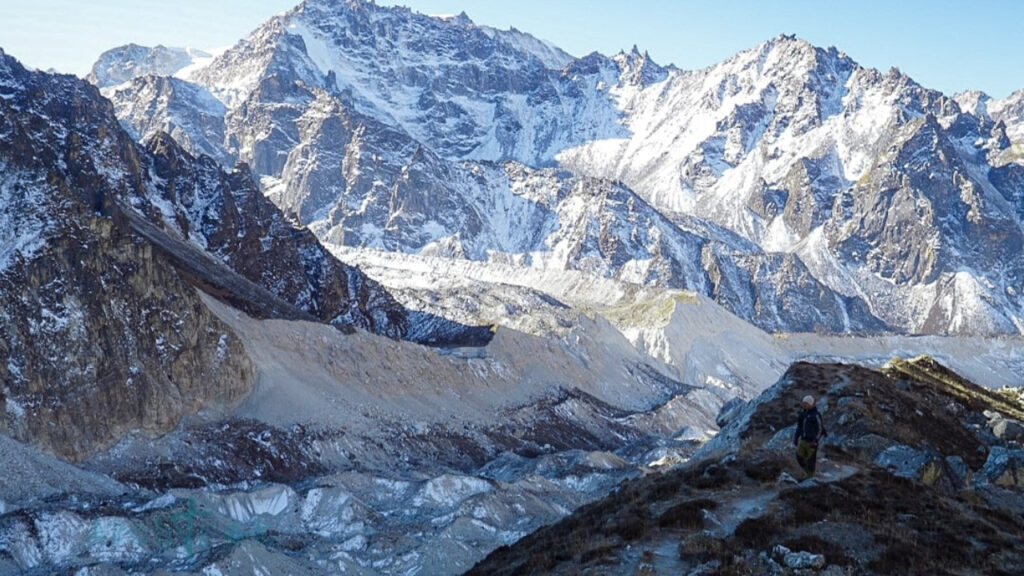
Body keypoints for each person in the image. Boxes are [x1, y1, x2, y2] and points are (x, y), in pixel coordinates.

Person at [794, 395, 825, 478]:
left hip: (812, 442)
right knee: (799, 456)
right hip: (803, 440)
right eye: (803, 403)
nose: (804, 405)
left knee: (810, 460)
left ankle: (810, 477)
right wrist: (796, 437)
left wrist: (816, 440)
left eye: (806, 403)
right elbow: (799, 426)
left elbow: (820, 429)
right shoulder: (802, 414)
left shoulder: (816, 415)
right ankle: (806, 473)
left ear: (811, 404)